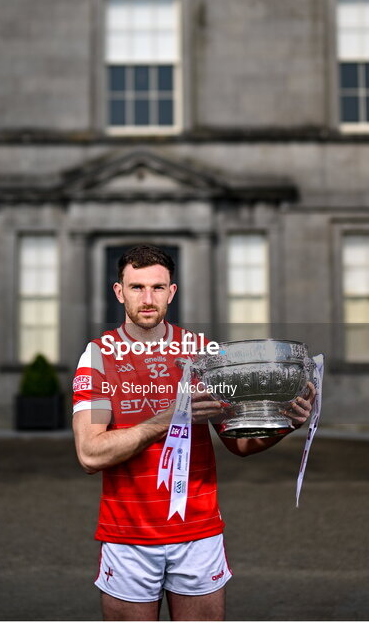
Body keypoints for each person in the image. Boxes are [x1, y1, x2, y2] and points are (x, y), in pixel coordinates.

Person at [72, 243, 314, 622]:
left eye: (157, 287)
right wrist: (169, 417)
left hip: (198, 533)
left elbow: (241, 444)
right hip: (127, 536)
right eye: (136, 287)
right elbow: (90, 453)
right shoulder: (98, 356)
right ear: (119, 292)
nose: (147, 298)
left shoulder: (204, 355)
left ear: (172, 292)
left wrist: (282, 425)